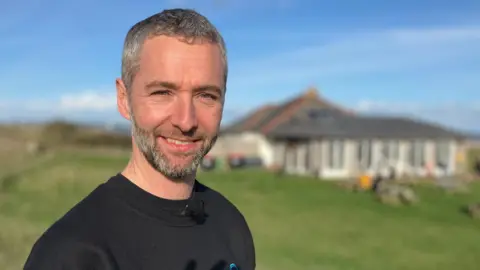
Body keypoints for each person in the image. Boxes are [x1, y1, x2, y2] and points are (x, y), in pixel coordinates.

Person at [23, 8, 256, 270]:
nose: (186, 121)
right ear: (124, 99)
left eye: (206, 96)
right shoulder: (71, 254)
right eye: (162, 92)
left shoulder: (231, 225)